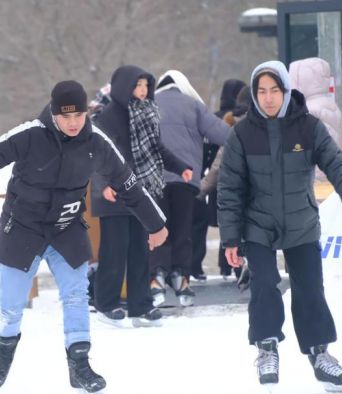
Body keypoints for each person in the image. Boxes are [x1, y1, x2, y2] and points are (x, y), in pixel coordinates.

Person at [0, 80, 169, 394]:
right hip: (24, 228)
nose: (73, 123)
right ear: (54, 114)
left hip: (66, 227)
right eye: (66, 116)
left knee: (76, 294)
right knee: (11, 304)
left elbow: (128, 183)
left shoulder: (96, 141)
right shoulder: (30, 134)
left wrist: (156, 223)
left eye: (79, 115)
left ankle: (80, 364)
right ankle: (4, 348)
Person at [217, 61, 342, 393]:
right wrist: (230, 238)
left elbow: (337, 163)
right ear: (254, 95)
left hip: (301, 222)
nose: (268, 98)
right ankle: (267, 348)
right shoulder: (242, 134)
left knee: (310, 288)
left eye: (275, 90)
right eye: (261, 91)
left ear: (286, 91)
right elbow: (229, 189)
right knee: (264, 284)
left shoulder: (308, 127)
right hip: (258, 224)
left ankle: (320, 355)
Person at [90, 65, 192, 326]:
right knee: (114, 251)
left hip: (140, 194)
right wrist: (104, 185)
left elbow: (157, 148)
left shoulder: (146, 114)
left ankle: (141, 306)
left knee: (140, 250)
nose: (143, 90)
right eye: (138, 85)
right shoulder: (107, 117)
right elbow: (96, 154)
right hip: (114, 194)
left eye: (146, 85)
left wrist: (180, 167)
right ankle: (106, 304)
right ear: (124, 87)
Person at [150, 69, 230, 306]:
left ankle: (156, 278)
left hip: (153, 180)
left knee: (157, 229)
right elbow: (223, 135)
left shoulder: (148, 104)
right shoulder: (193, 105)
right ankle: (181, 279)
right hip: (185, 180)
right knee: (182, 230)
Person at [190, 78, 245, 282]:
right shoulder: (241, 119)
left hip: (214, 180)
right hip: (233, 177)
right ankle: (233, 264)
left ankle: (221, 266)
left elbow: (204, 149)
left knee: (224, 221)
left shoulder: (213, 118)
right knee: (236, 221)